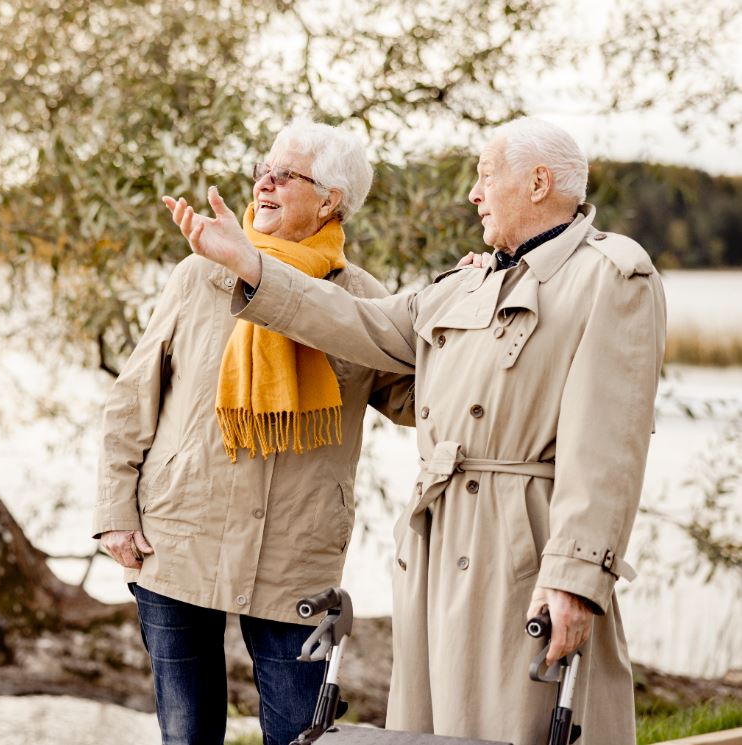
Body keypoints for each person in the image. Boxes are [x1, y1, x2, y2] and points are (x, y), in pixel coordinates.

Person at [164, 117, 666, 745]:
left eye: (486, 177)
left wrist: (576, 578)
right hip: (436, 545)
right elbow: (356, 321)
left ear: (539, 184)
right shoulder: (469, 281)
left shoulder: (612, 276)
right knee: (428, 732)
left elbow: (609, 445)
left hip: (521, 548)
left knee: (518, 724)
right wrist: (250, 265)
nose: (474, 195)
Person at [95, 119, 438, 745]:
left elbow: (416, 401)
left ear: (330, 198)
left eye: (286, 174)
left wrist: (467, 317)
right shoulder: (198, 275)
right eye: (263, 169)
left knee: (303, 738)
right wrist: (116, 511)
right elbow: (130, 399)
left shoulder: (363, 300)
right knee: (187, 735)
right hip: (177, 537)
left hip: (295, 555)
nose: (265, 183)